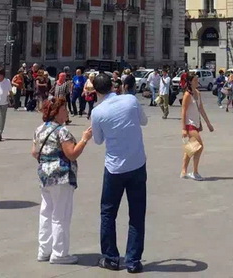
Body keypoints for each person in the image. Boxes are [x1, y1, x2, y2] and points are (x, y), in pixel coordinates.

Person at [89, 72, 148, 274]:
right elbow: (144, 121)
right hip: (137, 164)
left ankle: (111, 258)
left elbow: (98, 140)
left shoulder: (97, 112)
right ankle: (133, 261)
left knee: (108, 212)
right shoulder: (131, 100)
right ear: (114, 85)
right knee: (137, 213)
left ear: (96, 91)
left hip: (114, 168)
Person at [33, 97, 93, 265]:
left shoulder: (39, 129)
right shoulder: (62, 131)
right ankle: (59, 253)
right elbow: (72, 154)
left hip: (44, 175)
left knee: (46, 212)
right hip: (61, 176)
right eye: (64, 109)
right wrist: (84, 139)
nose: (67, 112)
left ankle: (44, 250)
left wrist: (48, 160)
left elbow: (34, 152)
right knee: (61, 215)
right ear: (56, 112)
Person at [180, 71, 214, 180]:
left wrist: (208, 123)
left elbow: (201, 109)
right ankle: (195, 172)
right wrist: (183, 129)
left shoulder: (198, 93)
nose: (197, 81)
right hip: (189, 124)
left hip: (196, 123)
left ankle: (184, 170)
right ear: (190, 82)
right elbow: (183, 112)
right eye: (195, 80)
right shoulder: (187, 95)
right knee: (199, 146)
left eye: (197, 79)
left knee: (191, 147)